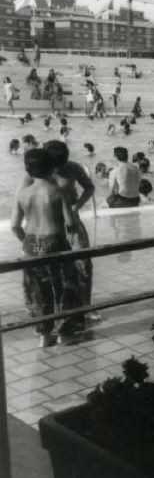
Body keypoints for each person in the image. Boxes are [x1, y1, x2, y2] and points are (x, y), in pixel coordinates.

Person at [11, 148, 84, 347]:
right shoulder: (57, 191)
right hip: (55, 241)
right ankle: (64, 332)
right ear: (51, 167)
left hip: (31, 244)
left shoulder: (22, 194)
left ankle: (44, 334)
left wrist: (27, 242)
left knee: (38, 290)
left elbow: (14, 226)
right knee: (64, 287)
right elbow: (71, 223)